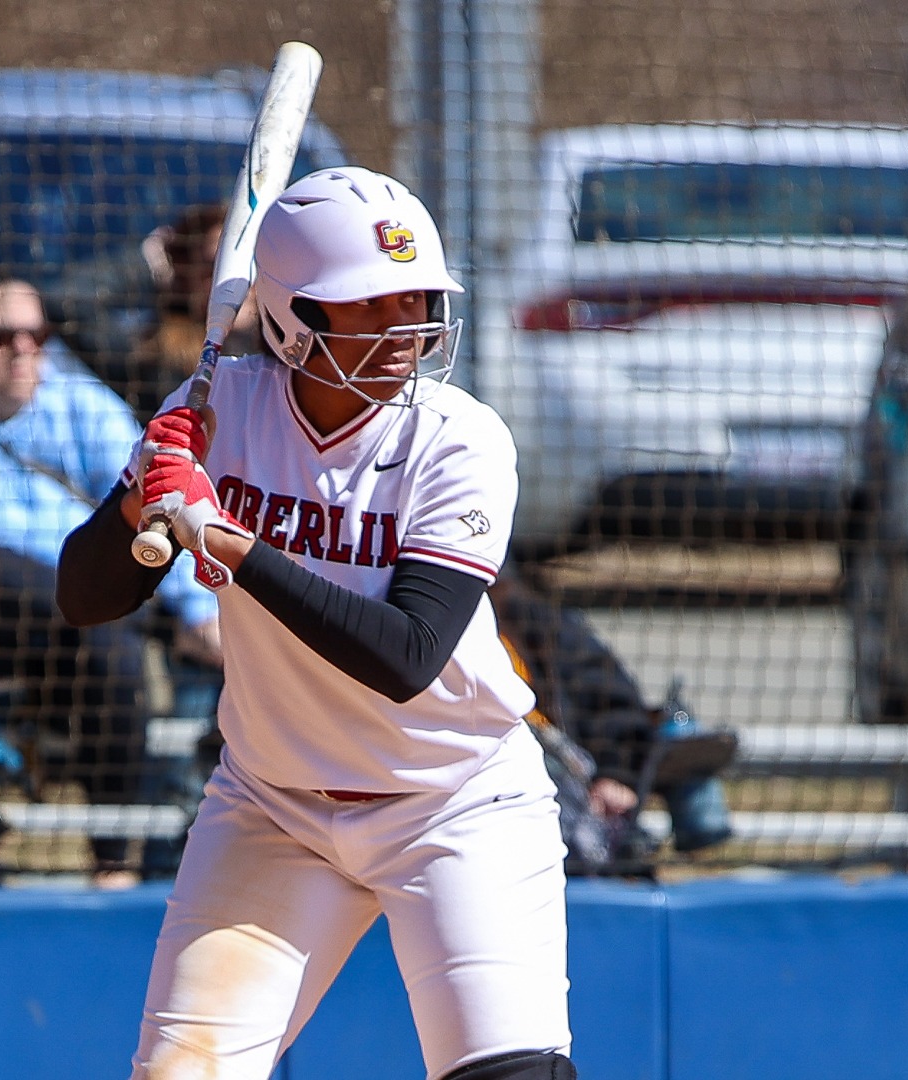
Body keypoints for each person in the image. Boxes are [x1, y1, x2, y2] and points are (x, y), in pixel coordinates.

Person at [58, 167, 577, 1080]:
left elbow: (407, 655)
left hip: (454, 798)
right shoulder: (220, 412)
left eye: (416, 299)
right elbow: (86, 598)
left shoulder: (459, 439)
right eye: (371, 307)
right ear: (297, 317)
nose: (406, 328)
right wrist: (142, 490)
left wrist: (227, 540)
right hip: (274, 804)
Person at [0, 262, 222, 884]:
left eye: (37, 336)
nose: (24, 351)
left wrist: (198, 612)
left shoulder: (80, 409)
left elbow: (158, 500)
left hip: (82, 636)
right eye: (1, 337)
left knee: (107, 634)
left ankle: (115, 859)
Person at [489, 571, 737, 874]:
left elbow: (613, 702)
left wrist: (615, 773)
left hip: (562, 801)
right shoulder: (427, 622)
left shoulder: (528, 619)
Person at [44, 204, 262, 419]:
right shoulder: (154, 356)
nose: (236, 279)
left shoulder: (286, 344)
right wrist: (147, 264)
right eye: (215, 267)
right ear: (184, 277)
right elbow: (65, 301)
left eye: (248, 263)